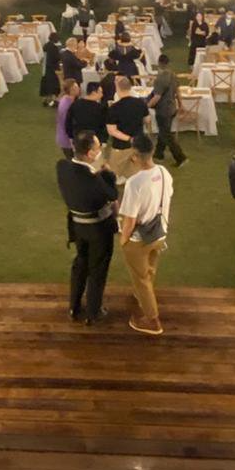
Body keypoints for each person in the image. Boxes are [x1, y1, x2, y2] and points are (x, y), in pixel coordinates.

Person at [55, 130, 117, 324]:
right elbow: (112, 194)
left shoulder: (62, 167)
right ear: (90, 153)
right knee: (97, 269)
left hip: (77, 226)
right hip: (99, 229)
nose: (100, 151)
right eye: (98, 148)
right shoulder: (94, 180)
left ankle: (74, 307)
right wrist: (107, 172)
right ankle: (93, 311)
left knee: (80, 265)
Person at [118, 132, 173, 336]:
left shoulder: (135, 183)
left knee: (140, 279)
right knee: (149, 271)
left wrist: (123, 240)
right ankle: (144, 297)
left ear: (134, 155)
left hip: (140, 239)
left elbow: (130, 219)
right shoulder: (164, 173)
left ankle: (152, 320)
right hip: (160, 233)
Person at [105, 76, 149, 179]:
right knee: (136, 172)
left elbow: (112, 131)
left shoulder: (114, 108)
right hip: (138, 144)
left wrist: (129, 138)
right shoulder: (140, 103)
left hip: (121, 146)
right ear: (130, 87)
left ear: (117, 88)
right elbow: (147, 120)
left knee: (114, 173)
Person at [149, 53, 187, 167]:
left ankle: (180, 157)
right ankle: (158, 154)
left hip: (163, 110)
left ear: (159, 63)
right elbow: (178, 91)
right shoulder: (173, 75)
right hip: (172, 108)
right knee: (163, 131)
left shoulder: (160, 79)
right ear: (168, 63)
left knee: (167, 134)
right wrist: (181, 104)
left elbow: (157, 97)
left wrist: (146, 106)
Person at [55, 79, 79, 159]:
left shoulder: (68, 99)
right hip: (67, 140)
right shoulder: (66, 105)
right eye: (75, 88)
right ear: (70, 91)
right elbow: (68, 124)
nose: (78, 89)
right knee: (72, 161)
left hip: (65, 137)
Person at [40, 33, 61, 107]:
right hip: (52, 68)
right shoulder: (54, 47)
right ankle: (53, 102)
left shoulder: (46, 45)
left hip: (45, 68)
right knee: (54, 85)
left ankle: (45, 100)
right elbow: (57, 58)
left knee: (46, 84)